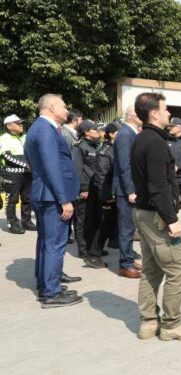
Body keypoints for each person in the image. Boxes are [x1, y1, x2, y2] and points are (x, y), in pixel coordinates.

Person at [131, 92, 181, 341]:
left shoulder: (142, 138)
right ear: (153, 113)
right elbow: (158, 186)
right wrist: (172, 220)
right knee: (178, 270)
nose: (169, 113)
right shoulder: (155, 142)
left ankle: (148, 323)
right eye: (165, 109)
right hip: (157, 217)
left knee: (151, 270)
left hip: (144, 212)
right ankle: (172, 324)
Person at [25, 93, 83, 308]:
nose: (67, 110)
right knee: (55, 244)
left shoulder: (37, 128)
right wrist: (64, 200)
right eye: (63, 106)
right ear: (51, 107)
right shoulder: (46, 130)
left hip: (44, 194)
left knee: (46, 242)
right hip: (53, 197)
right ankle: (52, 293)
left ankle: (46, 285)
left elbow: (34, 162)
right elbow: (52, 167)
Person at [85, 122, 120, 268]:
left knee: (109, 224)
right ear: (111, 134)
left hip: (112, 192)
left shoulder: (115, 148)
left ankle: (98, 249)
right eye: (118, 132)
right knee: (102, 224)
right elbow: (101, 176)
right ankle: (93, 255)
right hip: (105, 193)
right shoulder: (105, 151)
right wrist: (105, 196)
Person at [112, 106, 141, 278]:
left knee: (130, 228)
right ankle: (125, 264)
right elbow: (125, 165)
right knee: (126, 228)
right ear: (134, 117)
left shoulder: (130, 133)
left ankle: (129, 258)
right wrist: (130, 190)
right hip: (125, 190)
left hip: (128, 188)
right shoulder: (125, 134)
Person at [71, 120, 103, 268]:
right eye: (94, 129)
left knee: (94, 219)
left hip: (95, 188)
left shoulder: (97, 146)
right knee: (82, 220)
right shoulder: (79, 147)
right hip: (85, 189)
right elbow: (77, 170)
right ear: (86, 132)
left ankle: (92, 248)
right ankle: (83, 250)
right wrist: (83, 188)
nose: (97, 131)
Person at [1, 114, 35, 234]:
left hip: (27, 174)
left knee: (27, 199)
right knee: (12, 200)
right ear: (9, 126)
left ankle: (26, 222)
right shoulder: (4, 138)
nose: (21, 125)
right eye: (18, 123)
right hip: (12, 174)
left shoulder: (25, 137)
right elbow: (7, 156)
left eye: (21, 123)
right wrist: (26, 165)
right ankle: (12, 224)